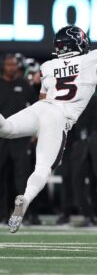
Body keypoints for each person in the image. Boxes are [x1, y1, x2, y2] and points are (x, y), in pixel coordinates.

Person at [1, 20, 97, 233]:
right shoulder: (92, 59)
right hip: (59, 116)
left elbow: (42, 97)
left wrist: (38, 128)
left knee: (7, 128)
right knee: (43, 168)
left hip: (42, 108)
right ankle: (26, 198)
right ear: (79, 43)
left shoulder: (48, 66)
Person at [0, 54, 36, 224]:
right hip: (1, 139)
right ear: (3, 66)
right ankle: (1, 214)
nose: (11, 67)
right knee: (1, 177)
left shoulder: (25, 85)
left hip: (21, 138)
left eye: (13, 64)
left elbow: (36, 108)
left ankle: (23, 214)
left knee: (22, 178)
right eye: (8, 64)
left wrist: (36, 132)